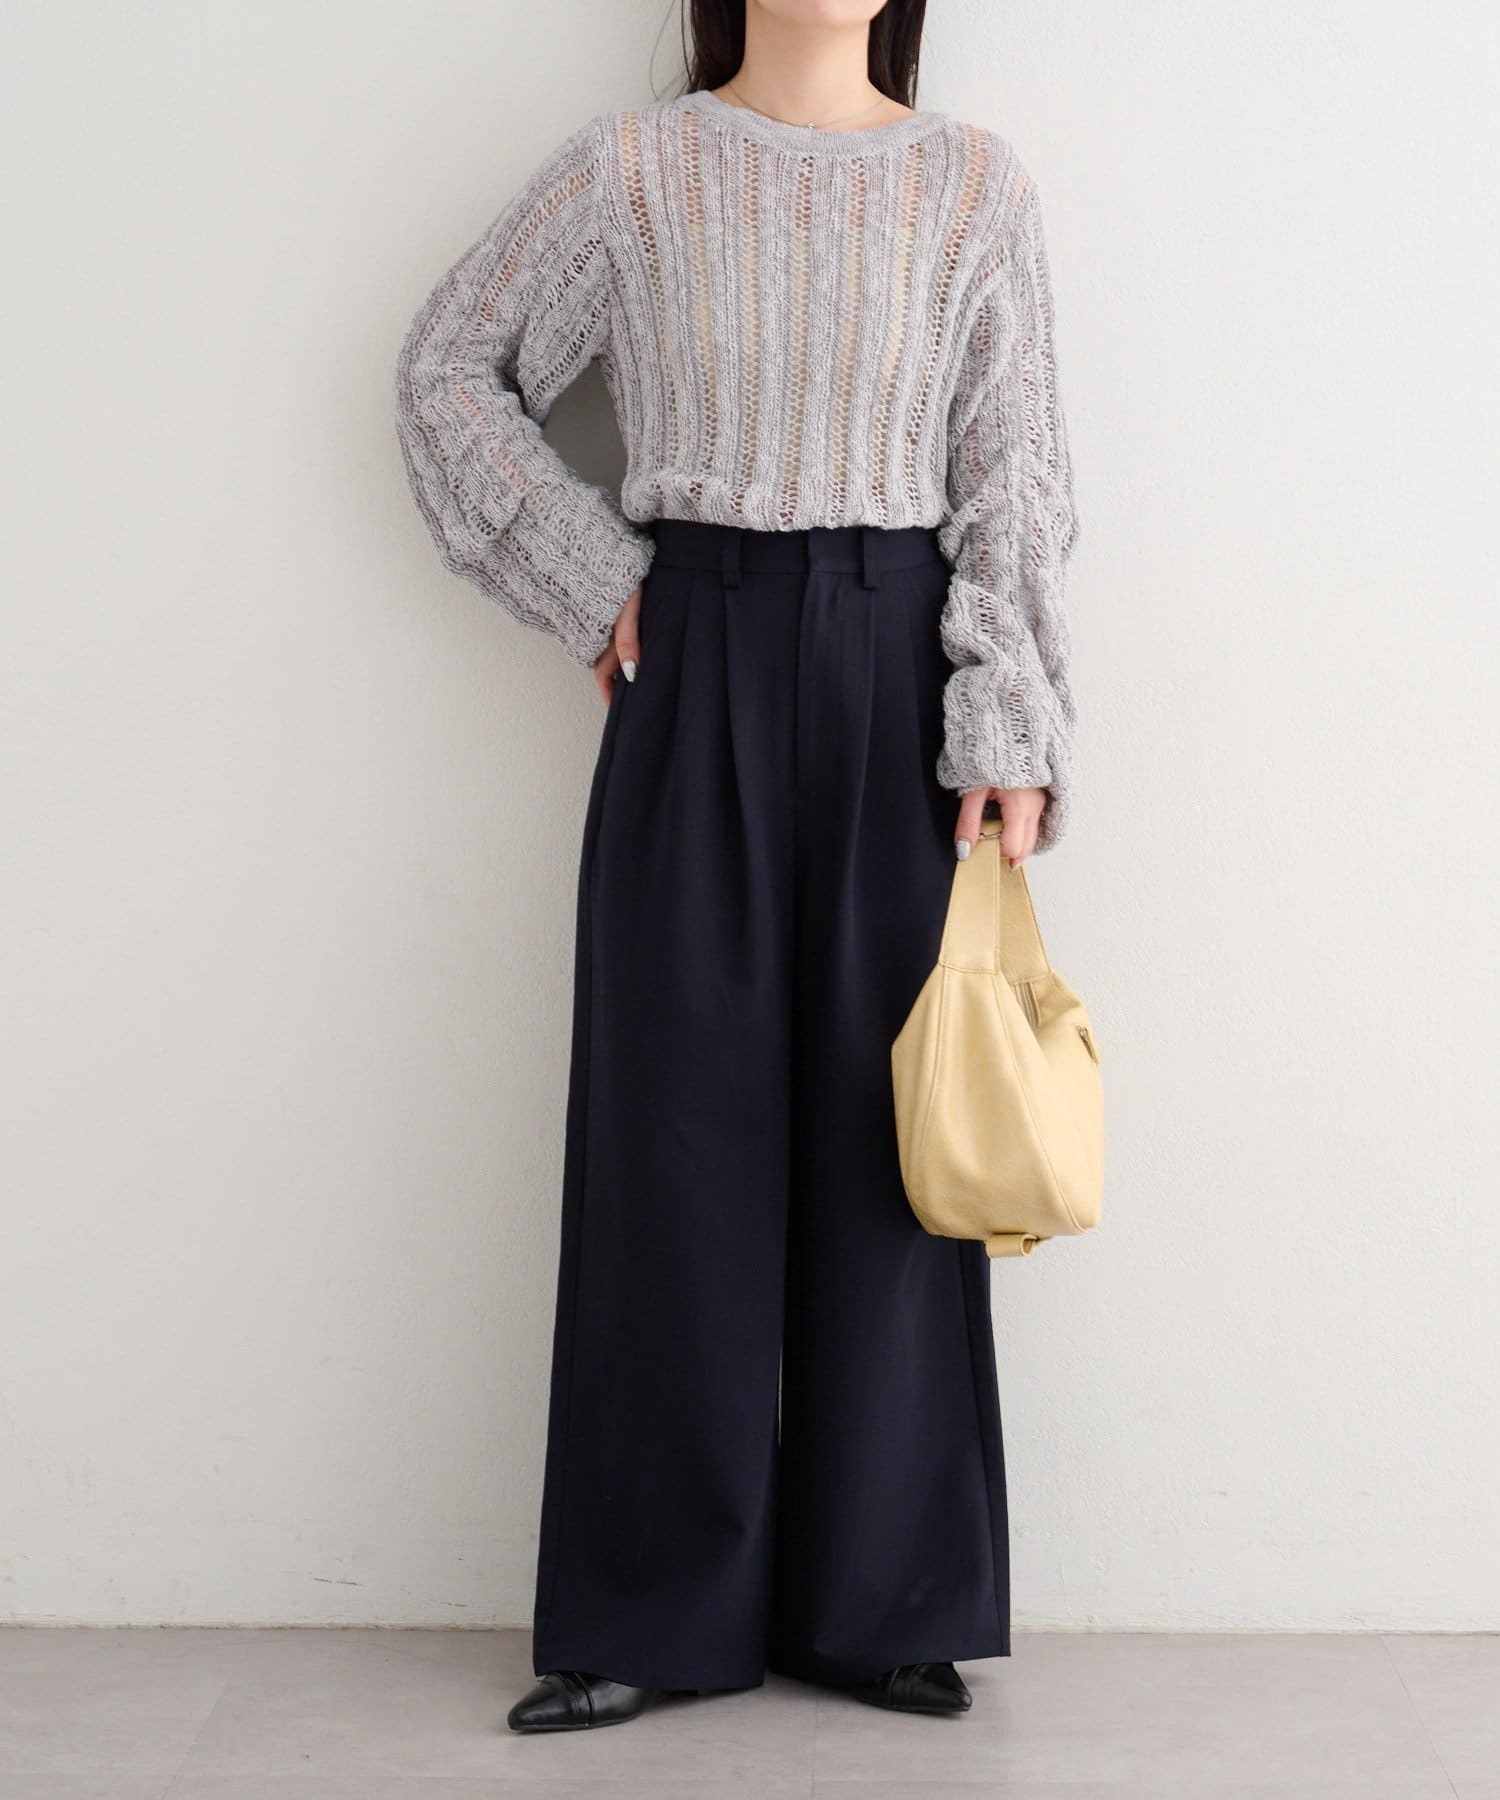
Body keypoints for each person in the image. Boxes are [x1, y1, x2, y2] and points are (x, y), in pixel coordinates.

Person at [394, 0, 1079, 1734]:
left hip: (901, 665)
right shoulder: (634, 172)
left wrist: (1009, 718)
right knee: (670, 1128)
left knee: (890, 1129)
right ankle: (645, 1611)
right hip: (692, 643)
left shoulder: (973, 187)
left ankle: (884, 1602)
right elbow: (448, 369)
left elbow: (1013, 475)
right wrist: (587, 575)